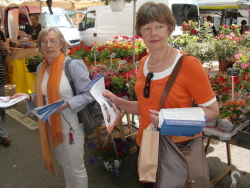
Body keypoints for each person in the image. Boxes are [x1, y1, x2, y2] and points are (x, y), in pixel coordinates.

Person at [103, 2, 219, 188]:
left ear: (169, 29)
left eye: (159, 26)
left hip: (176, 148)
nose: (153, 33)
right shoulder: (143, 63)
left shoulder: (188, 64)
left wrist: (169, 118)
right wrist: (116, 101)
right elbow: (146, 108)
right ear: (140, 32)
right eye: (147, 28)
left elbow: (213, 111)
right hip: (146, 143)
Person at [11, 27, 94, 187]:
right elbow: (43, 98)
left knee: (76, 168)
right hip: (52, 126)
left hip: (71, 125)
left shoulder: (73, 65)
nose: (48, 45)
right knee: (65, 165)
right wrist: (27, 96)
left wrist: (67, 104)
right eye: (44, 41)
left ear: (61, 43)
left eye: (52, 41)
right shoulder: (40, 68)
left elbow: (89, 95)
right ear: (40, 45)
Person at [0, 17, 11, 146]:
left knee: (2, 109)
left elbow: (6, 64)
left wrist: (7, 50)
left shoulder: (1, 36)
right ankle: (4, 135)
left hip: (0, 80)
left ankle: (1, 132)